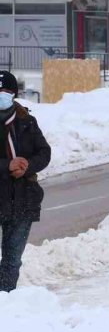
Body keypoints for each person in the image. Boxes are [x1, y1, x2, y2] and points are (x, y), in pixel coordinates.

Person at [0, 71, 50, 292]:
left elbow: (44, 152)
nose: (2, 96)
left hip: (22, 201)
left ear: (14, 94)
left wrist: (27, 165)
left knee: (12, 259)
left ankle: (6, 300)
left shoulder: (27, 122)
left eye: (6, 92)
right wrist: (6, 166)